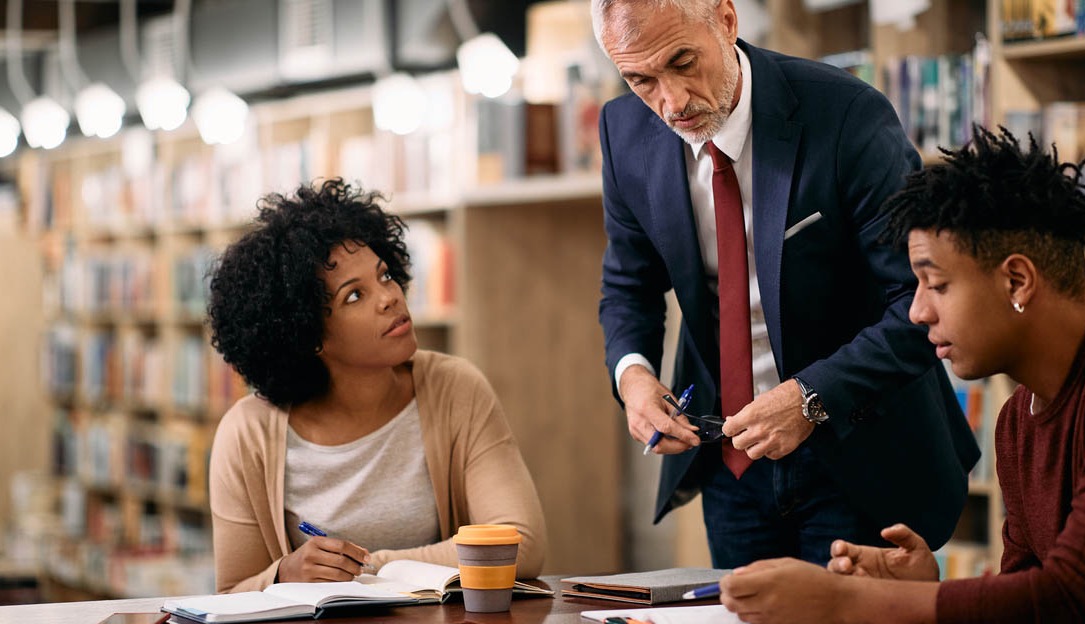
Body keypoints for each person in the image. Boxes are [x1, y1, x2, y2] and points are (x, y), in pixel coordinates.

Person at [719, 126, 1085, 624]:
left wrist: (845, 602)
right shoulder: (1018, 419)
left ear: (1016, 280)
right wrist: (926, 592)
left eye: (936, 284)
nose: (916, 312)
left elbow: (1078, 603)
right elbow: (1031, 604)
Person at [592, 0, 979, 567]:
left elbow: (921, 301)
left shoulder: (846, 113)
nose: (671, 103)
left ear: (726, 19)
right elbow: (629, 286)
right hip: (730, 464)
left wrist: (811, 398)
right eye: (641, 79)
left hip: (857, 453)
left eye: (682, 61)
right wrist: (634, 379)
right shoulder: (623, 130)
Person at [206, 179, 547, 593]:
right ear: (307, 335)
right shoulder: (248, 433)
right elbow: (230, 593)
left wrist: (372, 566)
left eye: (385, 275)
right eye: (355, 296)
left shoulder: (454, 388)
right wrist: (284, 574)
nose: (389, 297)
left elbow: (518, 544)